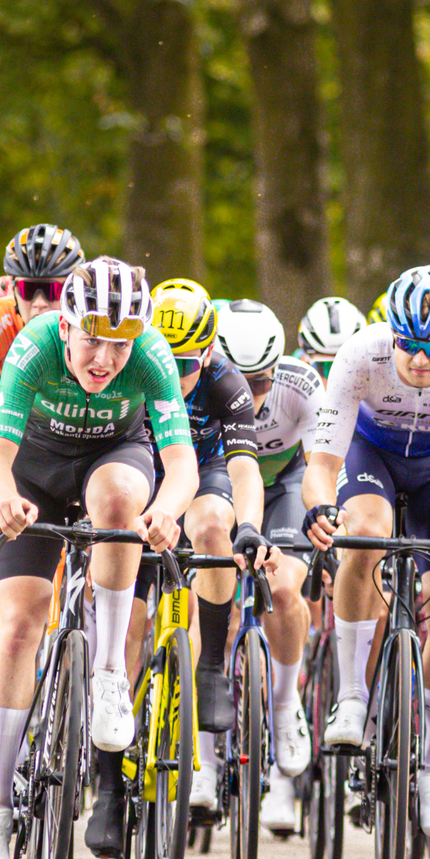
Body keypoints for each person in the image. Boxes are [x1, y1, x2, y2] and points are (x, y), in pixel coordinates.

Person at [0, 256, 196, 859]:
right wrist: (3, 501)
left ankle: (107, 676)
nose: (104, 359)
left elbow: (180, 465)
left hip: (112, 458)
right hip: (35, 466)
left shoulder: (151, 354)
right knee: (17, 622)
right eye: (92, 341)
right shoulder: (33, 347)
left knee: (122, 498)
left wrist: (169, 512)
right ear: (66, 327)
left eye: (119, 346)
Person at [301, 266, 430, 844]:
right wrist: (322, 510)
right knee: (364, 532)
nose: (420, 361)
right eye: (409, 346)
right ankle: (351, 695)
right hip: (372, 456)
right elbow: (321, 464)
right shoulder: (359, 353)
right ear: (391, 333)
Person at [143, 279, 263, 776]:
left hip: (205, 472)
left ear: (209, 353)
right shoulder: (130, 370)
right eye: (165, 364)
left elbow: (245, 470)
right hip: (143, 471)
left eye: (187, 366)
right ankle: (109, 783)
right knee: (129, 633)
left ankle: (211, 662)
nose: (175, 376)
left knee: (215, 523)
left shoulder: (226, 383)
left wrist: (251, 526)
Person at [217, 298, 322, 831]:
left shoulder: (303, 385)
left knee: (284, 590)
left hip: (285, 486)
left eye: (265, 379)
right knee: (215, 597)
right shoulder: (206, 378)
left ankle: (285, 706)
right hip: (223, 484)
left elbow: (328, 462)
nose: (257, 394)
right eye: (245, 379)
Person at [0, 223, 85, 377]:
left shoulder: (90, 326)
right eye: (28, 290)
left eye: (52, 291)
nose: (39, 303)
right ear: (14, 292)